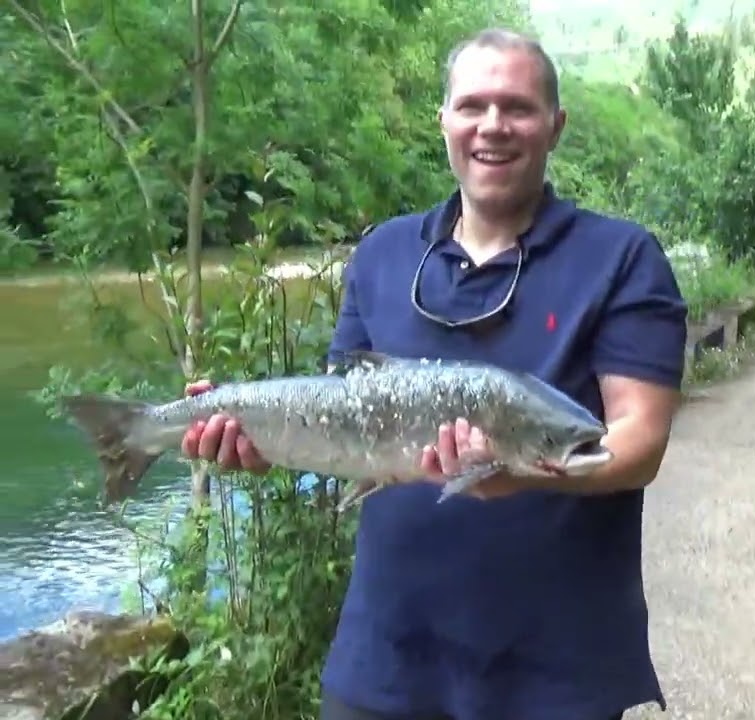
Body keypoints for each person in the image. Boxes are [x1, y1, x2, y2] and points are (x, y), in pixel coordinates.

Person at [179, 26, 688, 720]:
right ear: (443, 120)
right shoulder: (383, 252)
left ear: (555, 126)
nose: (493, 126)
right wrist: (259, 435)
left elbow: (638, 441)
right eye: (472, 105)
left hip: (556, 673)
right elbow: (349, 421)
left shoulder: (624, 258)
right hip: (383, 664)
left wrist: (522, 474)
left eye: (517, 107)